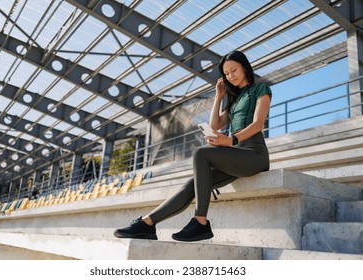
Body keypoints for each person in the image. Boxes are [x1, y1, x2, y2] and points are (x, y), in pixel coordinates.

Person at [114, 50, 272, 242]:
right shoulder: (234, 100)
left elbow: (258, 124)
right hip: (237, 157)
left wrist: (230, 140)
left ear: (244, 67)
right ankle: (147, 224)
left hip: (254, 155)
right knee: (192, 184)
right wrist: (218, 97)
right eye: (227, 74)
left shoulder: (260, 89)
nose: (230, 76)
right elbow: (215, 126)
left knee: (201, 154)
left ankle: (200, 222)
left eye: (234, 70)